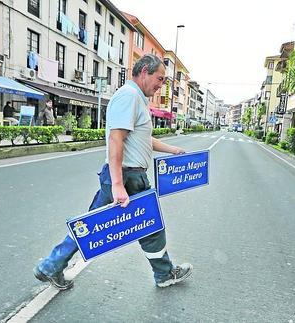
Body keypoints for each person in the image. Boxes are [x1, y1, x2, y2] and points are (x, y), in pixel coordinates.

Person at [34, 54, 192, 290]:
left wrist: (173, 150)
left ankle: (50, 266)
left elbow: (142, 138)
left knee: (90, 225)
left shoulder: (136, 98)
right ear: (144, 72)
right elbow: (116, 139)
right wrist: (118, 184)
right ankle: (164, 274)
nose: (161, 85)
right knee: (151, 225)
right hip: (127, 176)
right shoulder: (129, 96)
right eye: (159, 79)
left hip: (124, 174)